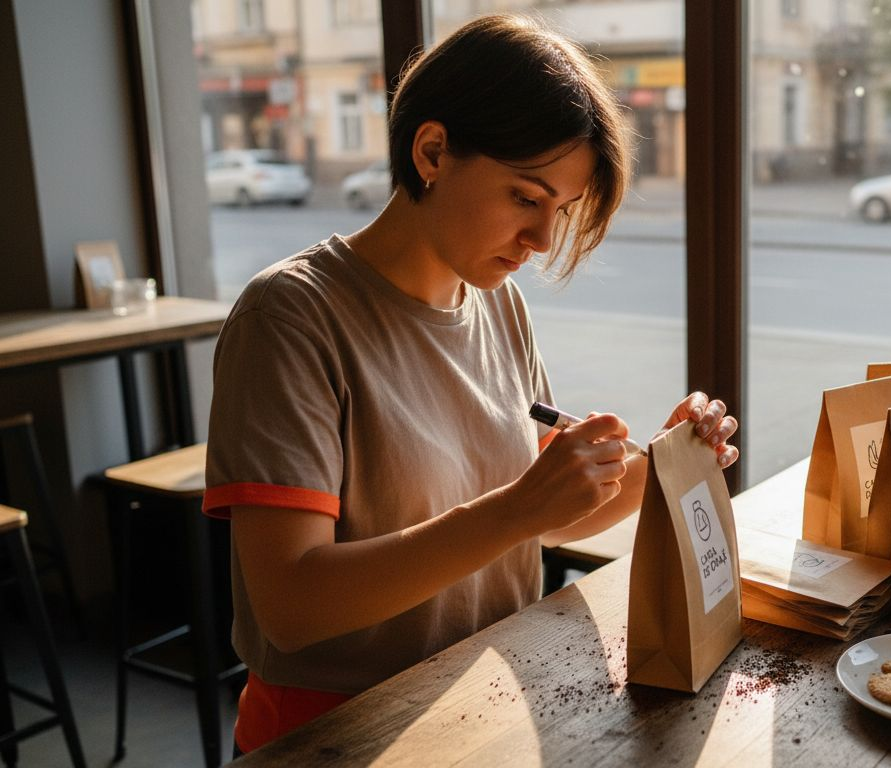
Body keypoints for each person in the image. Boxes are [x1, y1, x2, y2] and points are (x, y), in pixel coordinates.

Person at [202, 14, 739, 755]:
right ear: (432, 151)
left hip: (482, 700)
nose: (544, 241)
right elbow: (292, 605)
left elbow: (542, 519)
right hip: (338, 731)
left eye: (561, 210)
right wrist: (520, 509)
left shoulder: (495, 301)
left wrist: (666, 465)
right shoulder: (291, 316)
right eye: (526, 196)